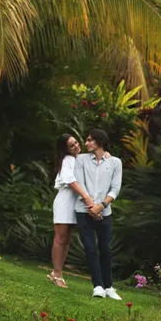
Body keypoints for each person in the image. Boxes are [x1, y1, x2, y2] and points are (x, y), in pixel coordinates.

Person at [73, 128, 123, 300]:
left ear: (100, 141)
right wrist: (92, 207)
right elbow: (79, 183)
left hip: (104, 212)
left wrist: (101, 207)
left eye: (89, 140)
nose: (85, 143)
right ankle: (98, 286)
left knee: (105, 249)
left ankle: (109, 286)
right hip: (83, 210)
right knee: (90, 249)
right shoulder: (80, 160)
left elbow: (115, 188)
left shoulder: (115, 162)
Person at [48, 134, 87, 288]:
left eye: (76, 142)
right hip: (64, 203)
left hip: (75, 204)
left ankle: (57, 272)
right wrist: (86, 197)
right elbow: (70, 181)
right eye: (72, 145)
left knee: (67, 240)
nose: (76, 146)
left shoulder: (80, 159)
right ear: (65, 150)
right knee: (60, 238)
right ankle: (57, 273)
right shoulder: (67, 161)